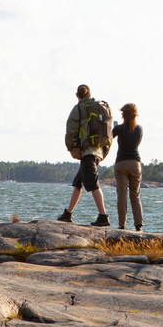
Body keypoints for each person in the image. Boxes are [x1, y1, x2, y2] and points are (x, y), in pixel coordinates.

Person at [56, 84, 111, 227]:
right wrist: (104, 151)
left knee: (93, 184)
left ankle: (103, 216)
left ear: (77, 95)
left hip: (88, 152)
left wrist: (71, 147)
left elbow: (71, 130)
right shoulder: (99, 107)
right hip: (98, 151)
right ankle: (68, 213)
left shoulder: (79, 108)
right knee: (78, 183)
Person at [112, 103, 144, 231]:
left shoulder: (119, 128)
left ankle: (122, 224)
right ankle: (138, 224)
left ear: (123, 114)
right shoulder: (139, 129)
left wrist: (114, 127)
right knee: (135, 195)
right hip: (135, 163)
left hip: (121, 163)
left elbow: (109, 137)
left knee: (121, 194)